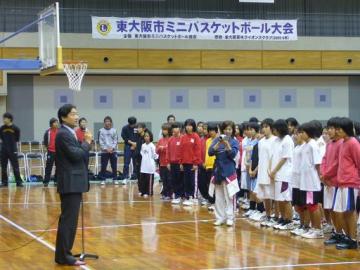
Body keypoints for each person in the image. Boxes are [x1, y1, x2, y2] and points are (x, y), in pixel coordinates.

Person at [54, 104, 92, 266]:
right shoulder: (63, 134)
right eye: (73, 114)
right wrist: (87, 142)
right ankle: (64, 256)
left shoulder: (70, 133)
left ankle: (63, 254)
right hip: (70, 182)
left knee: (69, 221)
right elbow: (76, 155)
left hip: (74, 182)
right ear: (63, 117)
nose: (76, 117)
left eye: (77, 114)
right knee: (68, 221)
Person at [333, 117, 360, 249]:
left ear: (346, 129)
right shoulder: (343, 143)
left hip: (351, 183)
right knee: (343, 212)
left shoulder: (353, 143)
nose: (336, 132)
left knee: (350, 212)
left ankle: (353, 240)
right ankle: (348, 237)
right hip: (341, 183)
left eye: (339, 129)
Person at [209, 120, 239, 226]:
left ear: (233, 130)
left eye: (230, 129)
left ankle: (230, 217)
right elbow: (210, 152)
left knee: (230, 195)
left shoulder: (234, 141)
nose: (227, 131)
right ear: (222, 130)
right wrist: (219, 143)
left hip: (229, 171)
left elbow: (233, 155)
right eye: (226, 129)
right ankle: (220, 217)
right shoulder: (217, 139)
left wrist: (227, 144)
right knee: (219, 196)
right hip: (218, 171)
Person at [297, 122, 324, 239]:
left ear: (309, 133)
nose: (300, 134)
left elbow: (318, 164)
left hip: (312, 181)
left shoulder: (313, 145)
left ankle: (318, 229)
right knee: (309, 206)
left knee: (313, 206)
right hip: (305, 181)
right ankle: (313, 228)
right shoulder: (305, 145)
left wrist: (320, 177)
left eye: (302, 132)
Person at [320, 117, 344, 246]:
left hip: (335, 181)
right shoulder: (329, 144)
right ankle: (336, 231)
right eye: (327, 128)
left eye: (331, 128)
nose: (328, 131)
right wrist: (323, 174)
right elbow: (324, 160)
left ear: (338, 130)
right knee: (330, 209)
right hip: (327, 181)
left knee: (337, 210)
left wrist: (326, 175)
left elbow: (337, 164)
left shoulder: (341, 143)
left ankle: (341, 233)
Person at [269, 119, 294, 230]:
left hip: (284, 174)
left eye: (274, 129)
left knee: (285, 198)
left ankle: (289, 220)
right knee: (279, 198)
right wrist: (270, 170)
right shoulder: (276, 141)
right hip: (276, 174)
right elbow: (273, 156)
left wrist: (274, 170)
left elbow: (284, 158)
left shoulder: (287, 140)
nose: (273, 131)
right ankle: (282, 218)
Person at [256, 118, 278, 227]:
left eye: (266, 127)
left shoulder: (276, 140)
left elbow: (276, 157)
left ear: (271, 128)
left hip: (272, 172)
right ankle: (268, 214)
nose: (264, 129)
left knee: (275, 195)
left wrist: (273, 171)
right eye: (262, 127)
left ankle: (277, 216)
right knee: (265, 196)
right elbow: (261, 158)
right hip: (262, 171)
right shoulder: (260, 142)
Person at [180, 119, 201, 206]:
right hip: (185, 163)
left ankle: (194, 196)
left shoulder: (196, 136)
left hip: (193, 163)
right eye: (187, 125)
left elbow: (198, 150)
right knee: (186, 180)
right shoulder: (183, 137)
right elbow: (181, 150)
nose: (188, 127)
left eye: (190, 125)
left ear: (193, 127)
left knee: (193, 181)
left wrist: (195, 163)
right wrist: (181, 163)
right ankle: (188, 196)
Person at [0, 112, 23, 187]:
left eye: (5, 118)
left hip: (13, 150)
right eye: (3, 118)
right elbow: (2, 138)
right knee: (3, 167)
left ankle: (19, 182)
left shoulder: (16, 128)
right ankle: (4, 182)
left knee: (15, 167)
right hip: (4, 150)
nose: (4, 119)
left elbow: (17, 139)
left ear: (10, 119)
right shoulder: (1, 128)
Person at [99, 116, 118, 185]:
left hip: (113, 151)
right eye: (106, 121)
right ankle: (103, 179)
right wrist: (106, 149)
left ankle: (115, 178)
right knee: (103, 166)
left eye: (108, 121)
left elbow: (115, 140)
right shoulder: (101, 130)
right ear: (104, 123)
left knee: (114, 166)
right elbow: (100, 141)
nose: (107, 123)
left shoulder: (114, 130)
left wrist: (112, 148)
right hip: (104, 151)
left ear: (111, 122)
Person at [168, 123, 184, 204]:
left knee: (180, 180)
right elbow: (168, 151)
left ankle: (180, 195)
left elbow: (183, 151)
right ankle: (176, 195)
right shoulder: (170, 139)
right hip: (172, 163)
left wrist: (181, 163)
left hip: (180, 163)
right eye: (173, 128)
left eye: (176, 127)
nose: (175, 129)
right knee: (173, 180)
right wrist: (168, 162)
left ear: (180, 128)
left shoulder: (183, 138)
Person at [139, 130, 158, 197]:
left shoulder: (152, 146)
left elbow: (155, 155)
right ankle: (143, 191)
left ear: (150, 137)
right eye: (145, 136)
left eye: (147, 136)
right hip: (143, 166)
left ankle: (149, 192)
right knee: (143, 180)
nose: (146, 137)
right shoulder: (143, 145)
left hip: (150, 166)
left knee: (149, 180)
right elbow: (141, 153)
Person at [156, 123, 172, 200]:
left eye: (165, 129)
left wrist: (163, 148)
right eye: (163, 129)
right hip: (162, 163)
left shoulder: (171, 139)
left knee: (169, 179)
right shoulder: (161, 140)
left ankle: (170, 194)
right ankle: (165, 193)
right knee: (164, 179)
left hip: (169, 163)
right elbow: (156, 150)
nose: (164, 131)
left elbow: (171, 150)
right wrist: (161, 148)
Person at [43, 117, 59, 187]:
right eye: (55, 122)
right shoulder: (48, 132)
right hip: (50, 152)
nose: (56, 123)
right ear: (51, 124)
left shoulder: (60, 131)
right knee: (48, 167)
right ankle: (46, 181)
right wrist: (49, 148)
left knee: (58, 167)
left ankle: (56, 181)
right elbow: (46, 142)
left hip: (59, 152)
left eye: (57, 122)